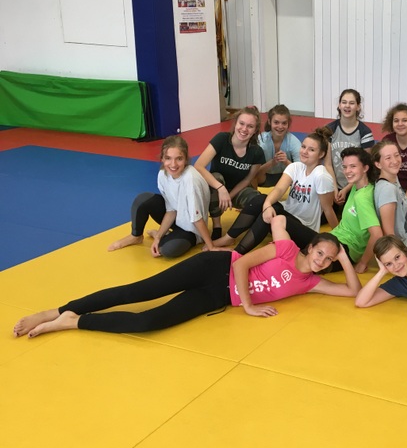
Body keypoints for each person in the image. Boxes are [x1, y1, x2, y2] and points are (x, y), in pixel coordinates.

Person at [13, 216, 362, 338]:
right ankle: (56, 310)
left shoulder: (311, 283)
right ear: (309, 248)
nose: (321, 261)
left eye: (327, 259)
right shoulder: (285, 250)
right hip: (214, 267)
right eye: (320, 253)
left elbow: (352, 292)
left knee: (150, 322)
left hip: (217, 297)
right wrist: (249, 306)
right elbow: (241, 265)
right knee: (138, 291)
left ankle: (74, 321)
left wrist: (343, 256)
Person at [213, 128, 338, 253]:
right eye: (303, 147)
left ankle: (237, 253)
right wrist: (267, 205)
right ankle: (229, 238)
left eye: (311, 150)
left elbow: (328, 209)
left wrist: (337, 240)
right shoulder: (295, 167)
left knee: (275, 210)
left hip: (304, 229)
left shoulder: (321, 176)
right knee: (260, 199)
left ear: (321, 154)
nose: (304, 152)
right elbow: (279, 189)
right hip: (284, 222)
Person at [108, 136, 214, 258]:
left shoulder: (190, 179)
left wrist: (210, 246)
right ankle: (136, 236)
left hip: (192, 229)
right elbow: (171, 210)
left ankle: (169, 236)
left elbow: (196, 219)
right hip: (176, 219)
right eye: (168, 158)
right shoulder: (163, 175)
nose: (173, 164)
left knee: (166, 250)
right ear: (162, 159)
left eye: (179, 159)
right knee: (143, 200)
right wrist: (158, 237)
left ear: (186, 159)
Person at [194, 106, 266, 239]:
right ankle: (217, 225)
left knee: (258, 199)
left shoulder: (257, 152)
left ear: (255, 130)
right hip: (215, 189)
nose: (244, 129)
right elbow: (198, 166)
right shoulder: (221, 139)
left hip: (237, 191)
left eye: (250, 126)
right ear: (235, 123)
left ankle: (232, 234)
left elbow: (247, 180)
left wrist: (229, 195)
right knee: (216, 177)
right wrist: (221, 188)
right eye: (241, 123)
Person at [329, 147, 382, 273]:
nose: (347, 171)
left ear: (365, 168)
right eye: (345, 167)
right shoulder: (361, 185)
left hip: (346, 249)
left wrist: (363, 262)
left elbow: (377, 234)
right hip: (335, 239)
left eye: (353, 166)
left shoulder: (362, 198)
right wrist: (345, 189)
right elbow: (354, 180)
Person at [325, 89, 375, 206]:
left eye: (352, 103)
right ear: (339, 105)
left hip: (355, 184)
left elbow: (365, 167)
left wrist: (346, 189)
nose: (347, 106)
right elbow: (328, 164)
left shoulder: (365, 132)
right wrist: (334, 189)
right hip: (334, 183)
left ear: (358, 107)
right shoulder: (330, 130)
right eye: (344, 102)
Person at [255, 104, 301, 187]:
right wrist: (272, 163)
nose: (280, 127)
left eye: (284, 123)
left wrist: (286, 162)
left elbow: (301, 172)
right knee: (254, 174)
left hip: (286, 178)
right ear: (269, 122)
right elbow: (254, 171)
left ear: (288, 123)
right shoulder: (261, 140)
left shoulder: (294, 142)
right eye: (276, 122)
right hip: (265, 178)